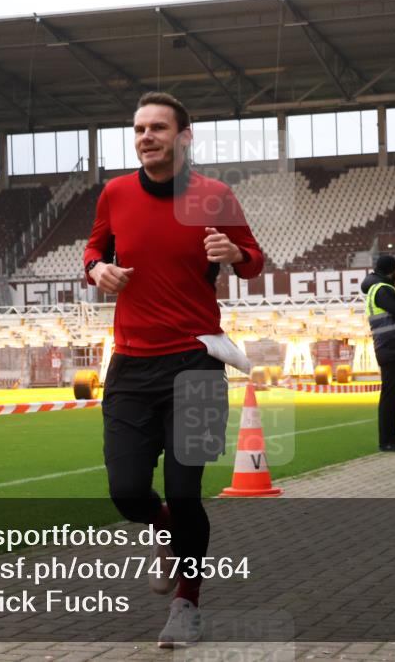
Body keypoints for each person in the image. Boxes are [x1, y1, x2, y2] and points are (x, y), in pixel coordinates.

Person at [83, 92, 264, 648]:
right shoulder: (114, 194)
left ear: (184, 136)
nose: (146, 137)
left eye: (158, 127)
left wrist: (233, 255)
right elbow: (91, 250)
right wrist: (98, 272)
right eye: (139, 129)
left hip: (197, 365)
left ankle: (187, 603)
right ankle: (160, 525)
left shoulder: (215, 197)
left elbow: (254, 261)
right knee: (128, 491)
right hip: (132, 366)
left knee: (187, 493)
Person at [361, 255, 395, 453]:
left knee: (391, 396)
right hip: (392, 346)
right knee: (390, 397)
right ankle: (387, 440)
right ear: (392, 271)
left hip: (387, 346)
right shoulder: (383, 289)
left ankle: (391, 438)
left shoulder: (374, 289)